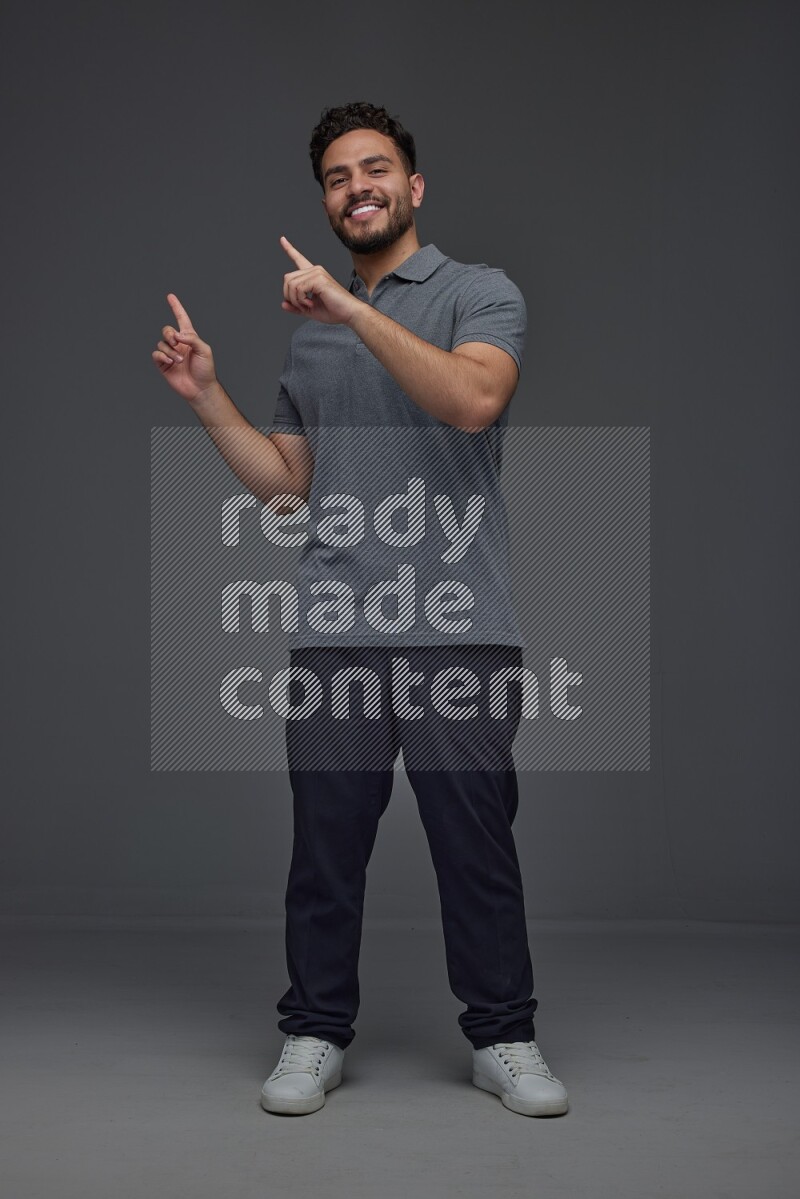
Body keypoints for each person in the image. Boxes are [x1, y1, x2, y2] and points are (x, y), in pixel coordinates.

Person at [152, 100, 568, 1119]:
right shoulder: (313, 340)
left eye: (374, 168)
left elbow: (471, 401)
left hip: (461, 626)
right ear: (327, 200)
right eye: (337, 177)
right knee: (325, 846)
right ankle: (312, 1029)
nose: (357, 187)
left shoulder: (479, 294)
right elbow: (289, 486)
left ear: (413, 187)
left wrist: (353, 313)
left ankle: (502, 1033)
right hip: (337, 627)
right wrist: (209, 396)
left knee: (475, 845)